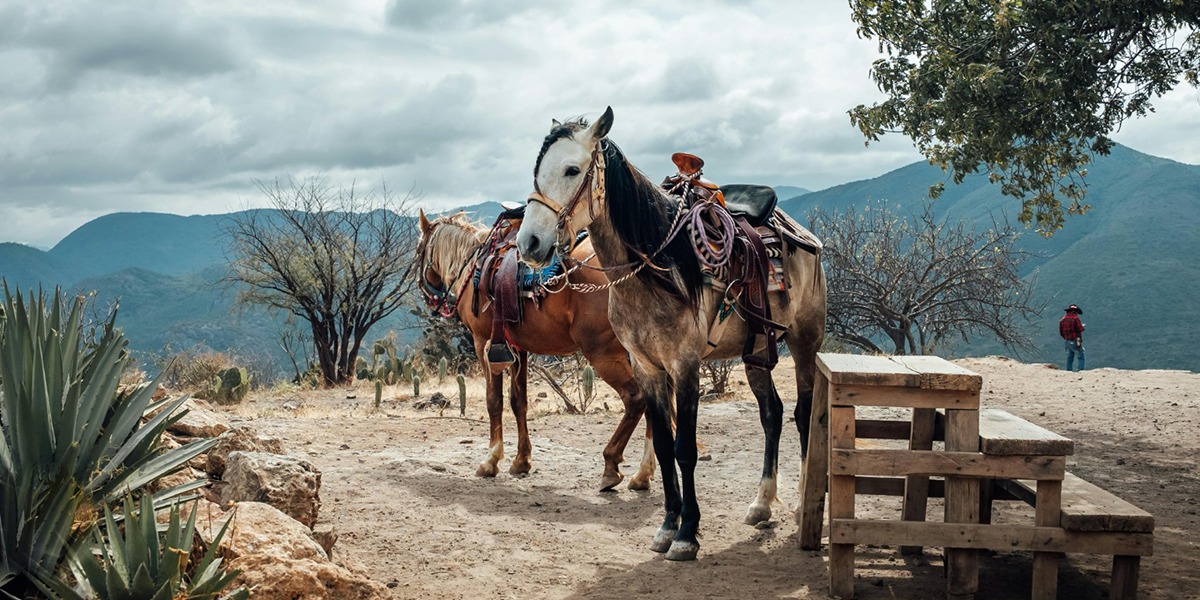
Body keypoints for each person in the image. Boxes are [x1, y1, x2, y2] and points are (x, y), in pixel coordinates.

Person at [1059, 304, 1085, 371]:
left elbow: (1061, 332)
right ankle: (1081, 370)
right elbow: (1080, 329)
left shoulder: (1062, 320)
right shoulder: (1075, 319)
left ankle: (1069, 370)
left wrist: (1066, 337)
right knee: (1081, 355)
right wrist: (1082, 326)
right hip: (1075, 340)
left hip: (1067, 341)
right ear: (1075, 312)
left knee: (1070, 357)